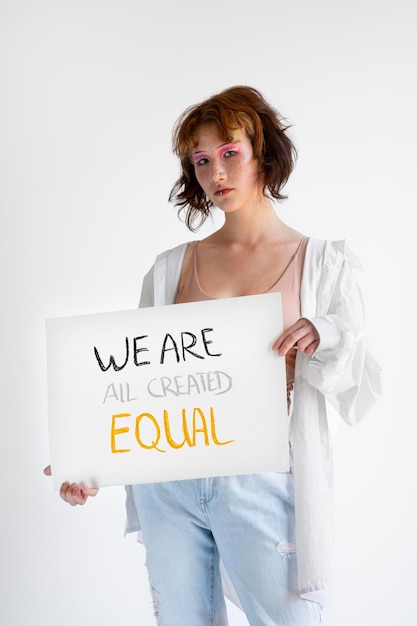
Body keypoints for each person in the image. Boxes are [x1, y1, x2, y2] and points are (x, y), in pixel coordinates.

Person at [44, 85, 382, 625]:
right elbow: (139, 385)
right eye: (201, 161)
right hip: (171, 484)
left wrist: (324, 333)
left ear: (263, 154)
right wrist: (89, 459)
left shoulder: (323, 264)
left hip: (266, 479)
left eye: (230, 153)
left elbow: (361, 384)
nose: (215, 173)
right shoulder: (170, 268)